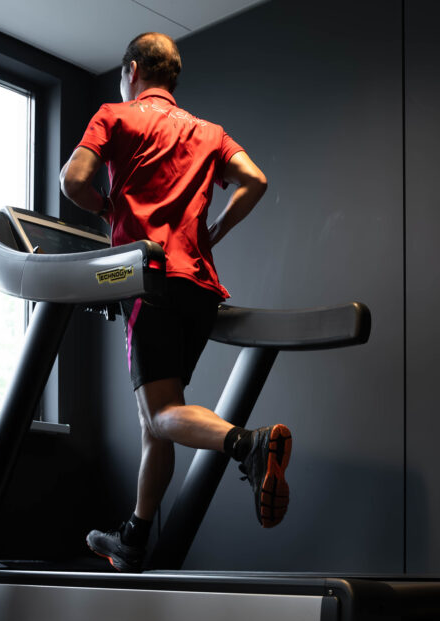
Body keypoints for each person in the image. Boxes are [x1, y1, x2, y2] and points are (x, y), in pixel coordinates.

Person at [60, 33, 290, 574]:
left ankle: (249, 445)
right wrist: (214, 231)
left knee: (162, 414)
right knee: (157, 419)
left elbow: (73, 181)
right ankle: (134, 537)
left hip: (151, 280)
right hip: (200, 287)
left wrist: (109, 209)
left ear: (132, 70)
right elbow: (254, 180)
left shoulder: (115, 116)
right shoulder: (209, 132)